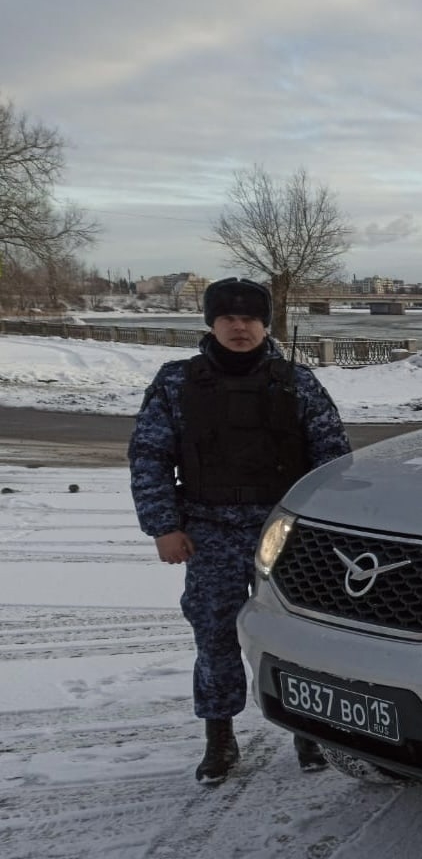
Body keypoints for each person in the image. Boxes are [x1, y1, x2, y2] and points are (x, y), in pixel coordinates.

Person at [129, 277, 352, 786]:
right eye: (228, 317)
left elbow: (332, 461)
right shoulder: (175, 383)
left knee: (302, 638)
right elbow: (150, 457)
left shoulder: (297, 382)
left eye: (250, 318)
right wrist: (164, 527)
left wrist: (326, 532)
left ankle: (309, 728)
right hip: (209, 532)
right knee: (215, 637)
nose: (239, 326)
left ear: (265, 324)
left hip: (287, 535)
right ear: (211, 323)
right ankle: (219, 736)